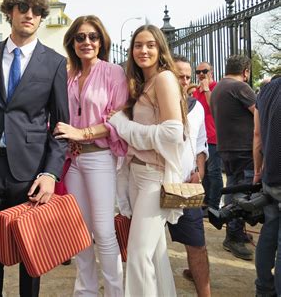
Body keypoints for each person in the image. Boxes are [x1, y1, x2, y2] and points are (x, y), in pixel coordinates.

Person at [0, 0, 69, 297]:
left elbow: (60, 125)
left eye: (36, 11)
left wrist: (50, 173)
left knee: (31, 251)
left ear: (42, 17)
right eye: (22, 8)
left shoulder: (55, 62)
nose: (29, 15)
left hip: (31, 169)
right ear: (10, 13)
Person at [107, 24, 187, 296]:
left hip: (155, 176)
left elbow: (172, 133)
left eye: (150, 45)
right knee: (154, 255)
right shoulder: (142, 83)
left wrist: (123, 125)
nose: (144, 50)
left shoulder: (164, 78)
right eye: (138, 45)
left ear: (160, 49)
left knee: (139, 255)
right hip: (137, 175)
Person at [53, 15, 128, 296]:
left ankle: (114, 291)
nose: (87, 42)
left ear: (101, 41)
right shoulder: (68, 74)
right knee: (80, 231)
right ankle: (85, 291)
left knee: (105, 232)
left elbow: (118, 118)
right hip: (72, 161)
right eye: (80, 37)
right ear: (72, 42)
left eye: (93, 37)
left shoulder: (113, 73)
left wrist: (82, 133)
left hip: (100, 157)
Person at [168, 55, 211, 297]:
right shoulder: (154, 105)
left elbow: (201, 143)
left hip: (186, 187)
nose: (184, 81)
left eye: (187, 77)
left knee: (197, 244)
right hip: (155, 185)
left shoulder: (197, 108)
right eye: (179, 76)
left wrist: (200, 169)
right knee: (151, 248)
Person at [210, 54, 256, 261]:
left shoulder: (218, 88)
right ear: (245, 71)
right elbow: (260, 113)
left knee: (234, 188)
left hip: (226, 147)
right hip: (244, 148)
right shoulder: (240, 88)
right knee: (244, 192)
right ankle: (234, 234)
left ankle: (233, 230)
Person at [253, 74, 281, 297]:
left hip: (270, 175)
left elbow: (257, 136)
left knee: (269, 231)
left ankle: (263, 286)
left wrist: (257, 170)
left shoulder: (267, 91)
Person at [193, 62, 223, 213]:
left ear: (211, 71)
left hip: (214, 137)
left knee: (214, 172)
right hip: (200, 137)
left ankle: (214, 205)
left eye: (204, 71)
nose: (201, 74)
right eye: (198, 72)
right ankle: (205, 202)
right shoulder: (195, 90)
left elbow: (214, 108)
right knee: (203, 173)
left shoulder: (216, 88)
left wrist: (206, 89)